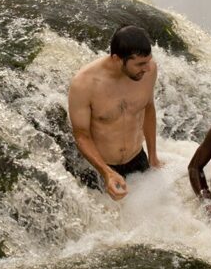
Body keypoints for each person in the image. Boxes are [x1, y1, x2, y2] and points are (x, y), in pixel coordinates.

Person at [68, 25, 163, 200]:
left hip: (137, 159)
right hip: (99, 168)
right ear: (117, 59)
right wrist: (107, 173)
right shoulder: (84, 84)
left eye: (148, 61)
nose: (147, 68)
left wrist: (153, 156)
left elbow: (148, 109)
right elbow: (81, 135)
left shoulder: (148, 73)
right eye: (141, 64)